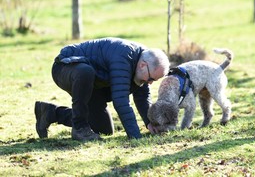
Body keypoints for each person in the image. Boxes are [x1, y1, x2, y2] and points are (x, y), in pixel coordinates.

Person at [35, 37, 170, 141]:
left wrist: (150, 122)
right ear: (142, 65)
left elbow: (142, 97)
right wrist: (135, 137)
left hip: (94, 83)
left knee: (103, 129)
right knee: (85, 72)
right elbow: (121, 100)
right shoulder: (124, 56)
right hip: (65, 67)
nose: (150, 83)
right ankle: (80, 128)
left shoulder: (145, 61)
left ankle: (50, 113)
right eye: (151, 78)